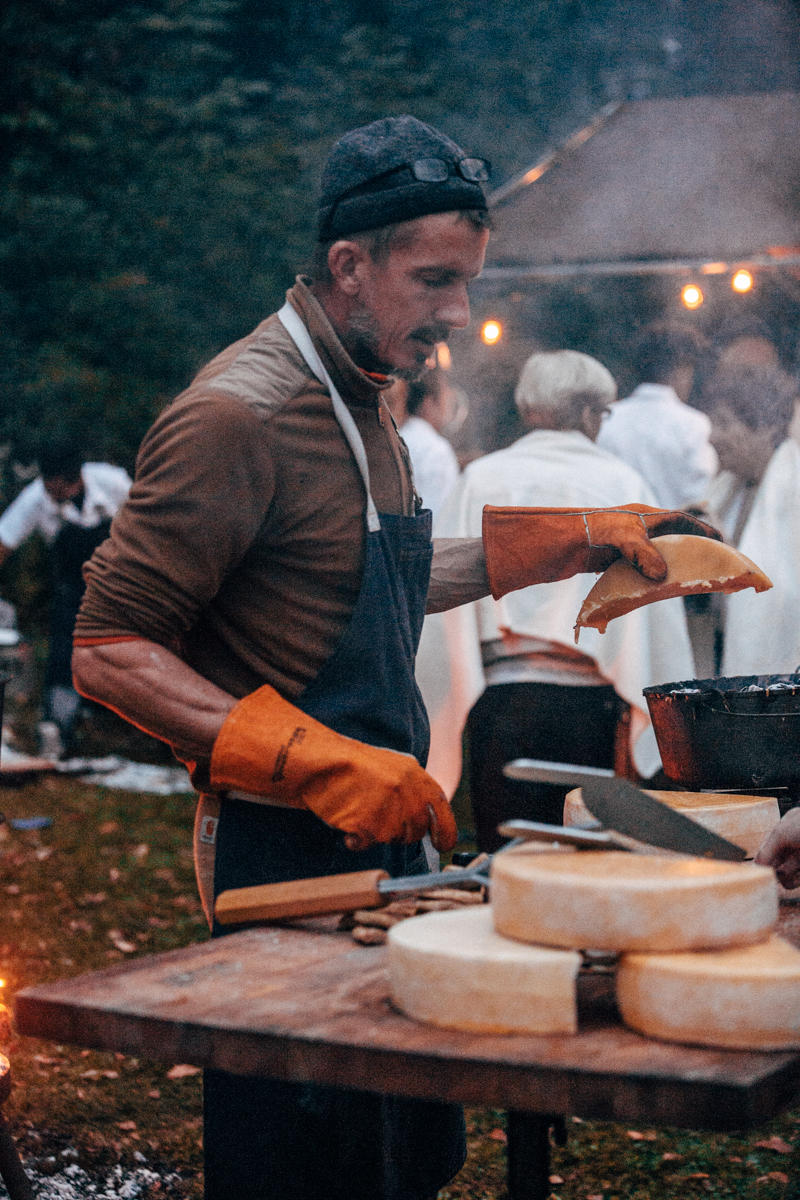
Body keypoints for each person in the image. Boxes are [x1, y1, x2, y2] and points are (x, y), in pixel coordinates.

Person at [70, 115, 718, 1200]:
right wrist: (314, 761)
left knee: (401, 1155)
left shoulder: (361, 393)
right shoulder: (239, 414)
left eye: (467, 282)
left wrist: (571, 536)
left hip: (388, 834)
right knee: (300, 1164)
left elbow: (384, 580)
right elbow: (107, 647)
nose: (457, 316)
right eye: (433, 282)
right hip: (280, 861)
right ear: (348, 266)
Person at [420, 350, 695, 850]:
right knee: (583, 857)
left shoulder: (482, 477)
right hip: (591, 708)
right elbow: (656, 611)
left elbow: (444, 610)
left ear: (528, 410)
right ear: (592, 413)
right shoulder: (623, 484)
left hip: (504, 705)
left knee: (507, 860)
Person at [0, 443, 131, 751]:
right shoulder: (34, 498)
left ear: (74, 478)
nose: (52, 492)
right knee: (65, 653)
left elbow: (150, 521)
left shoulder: (113, 483)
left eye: (58, 487)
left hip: (121, 580)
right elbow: (4, 540)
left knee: (123, 648)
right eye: (47, 486)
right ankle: (59, 726)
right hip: (72, 587)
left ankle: (129, 724)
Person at [700, 364, 800, 676]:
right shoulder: (724, 490)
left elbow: (786, 599)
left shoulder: (794, 490)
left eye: (724, 423)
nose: (712, 437)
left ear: (767, 427)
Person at [596, 321, 717, 508]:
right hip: (673, 535)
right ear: (681, 369)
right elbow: (700, 496)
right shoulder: (694, 424)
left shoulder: (607, 418)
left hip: (614, 533)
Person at [385, 366, 460, 520]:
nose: (448, 406)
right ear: (429, 402)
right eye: (445, 398)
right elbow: (441, 517)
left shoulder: (394, 440)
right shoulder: (436, 450)